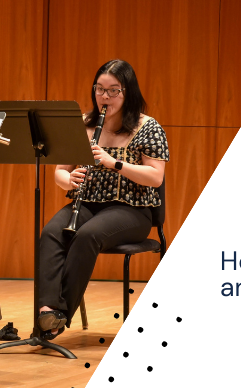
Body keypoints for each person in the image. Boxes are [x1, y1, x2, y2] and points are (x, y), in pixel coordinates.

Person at [36, 59, 168, 338]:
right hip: (86, 204)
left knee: (88, 236)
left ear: (128, 92)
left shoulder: (148, 127)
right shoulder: (84, 123)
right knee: (50, 233)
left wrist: (114, 163)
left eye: (113, 91)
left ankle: (58, 317)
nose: (104, 97)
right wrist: (67, 180)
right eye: (100, 89)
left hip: (132, 210)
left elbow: (155, 177)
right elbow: (60, 172)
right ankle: (47, 311)